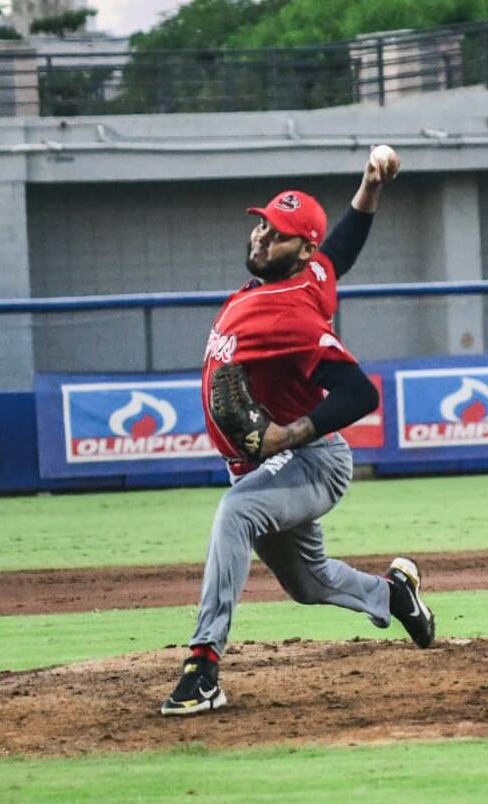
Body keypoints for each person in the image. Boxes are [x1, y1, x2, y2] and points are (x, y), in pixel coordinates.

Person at [160, 148, 436, 716]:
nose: (261, 237)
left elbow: (361, 392)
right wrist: (370, 188)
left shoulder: (294, 315)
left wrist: (290, 435)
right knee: (308, 583)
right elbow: (340, 249)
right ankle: (395, 597)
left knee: (235, 513)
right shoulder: (309, 273)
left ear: (299, 250)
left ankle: (203, 666)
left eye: (278, 233)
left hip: (311, 461)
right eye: (262, 224)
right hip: (264, 465)